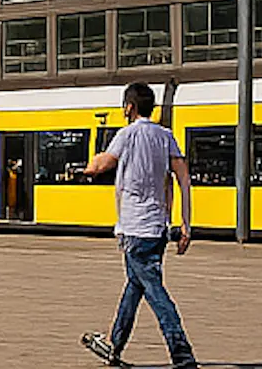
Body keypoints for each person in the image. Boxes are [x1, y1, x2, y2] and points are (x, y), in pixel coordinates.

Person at [81, 82, 197, 369]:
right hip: (158, 228)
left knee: (156, 293)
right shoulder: (165, 136)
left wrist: (89, 166)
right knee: (135, 286)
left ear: (129, 107)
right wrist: (185, 224)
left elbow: (101, 165)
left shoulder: (127, 134)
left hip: (135, 228)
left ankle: (182, 354)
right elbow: (183, 178)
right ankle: (113, 345)